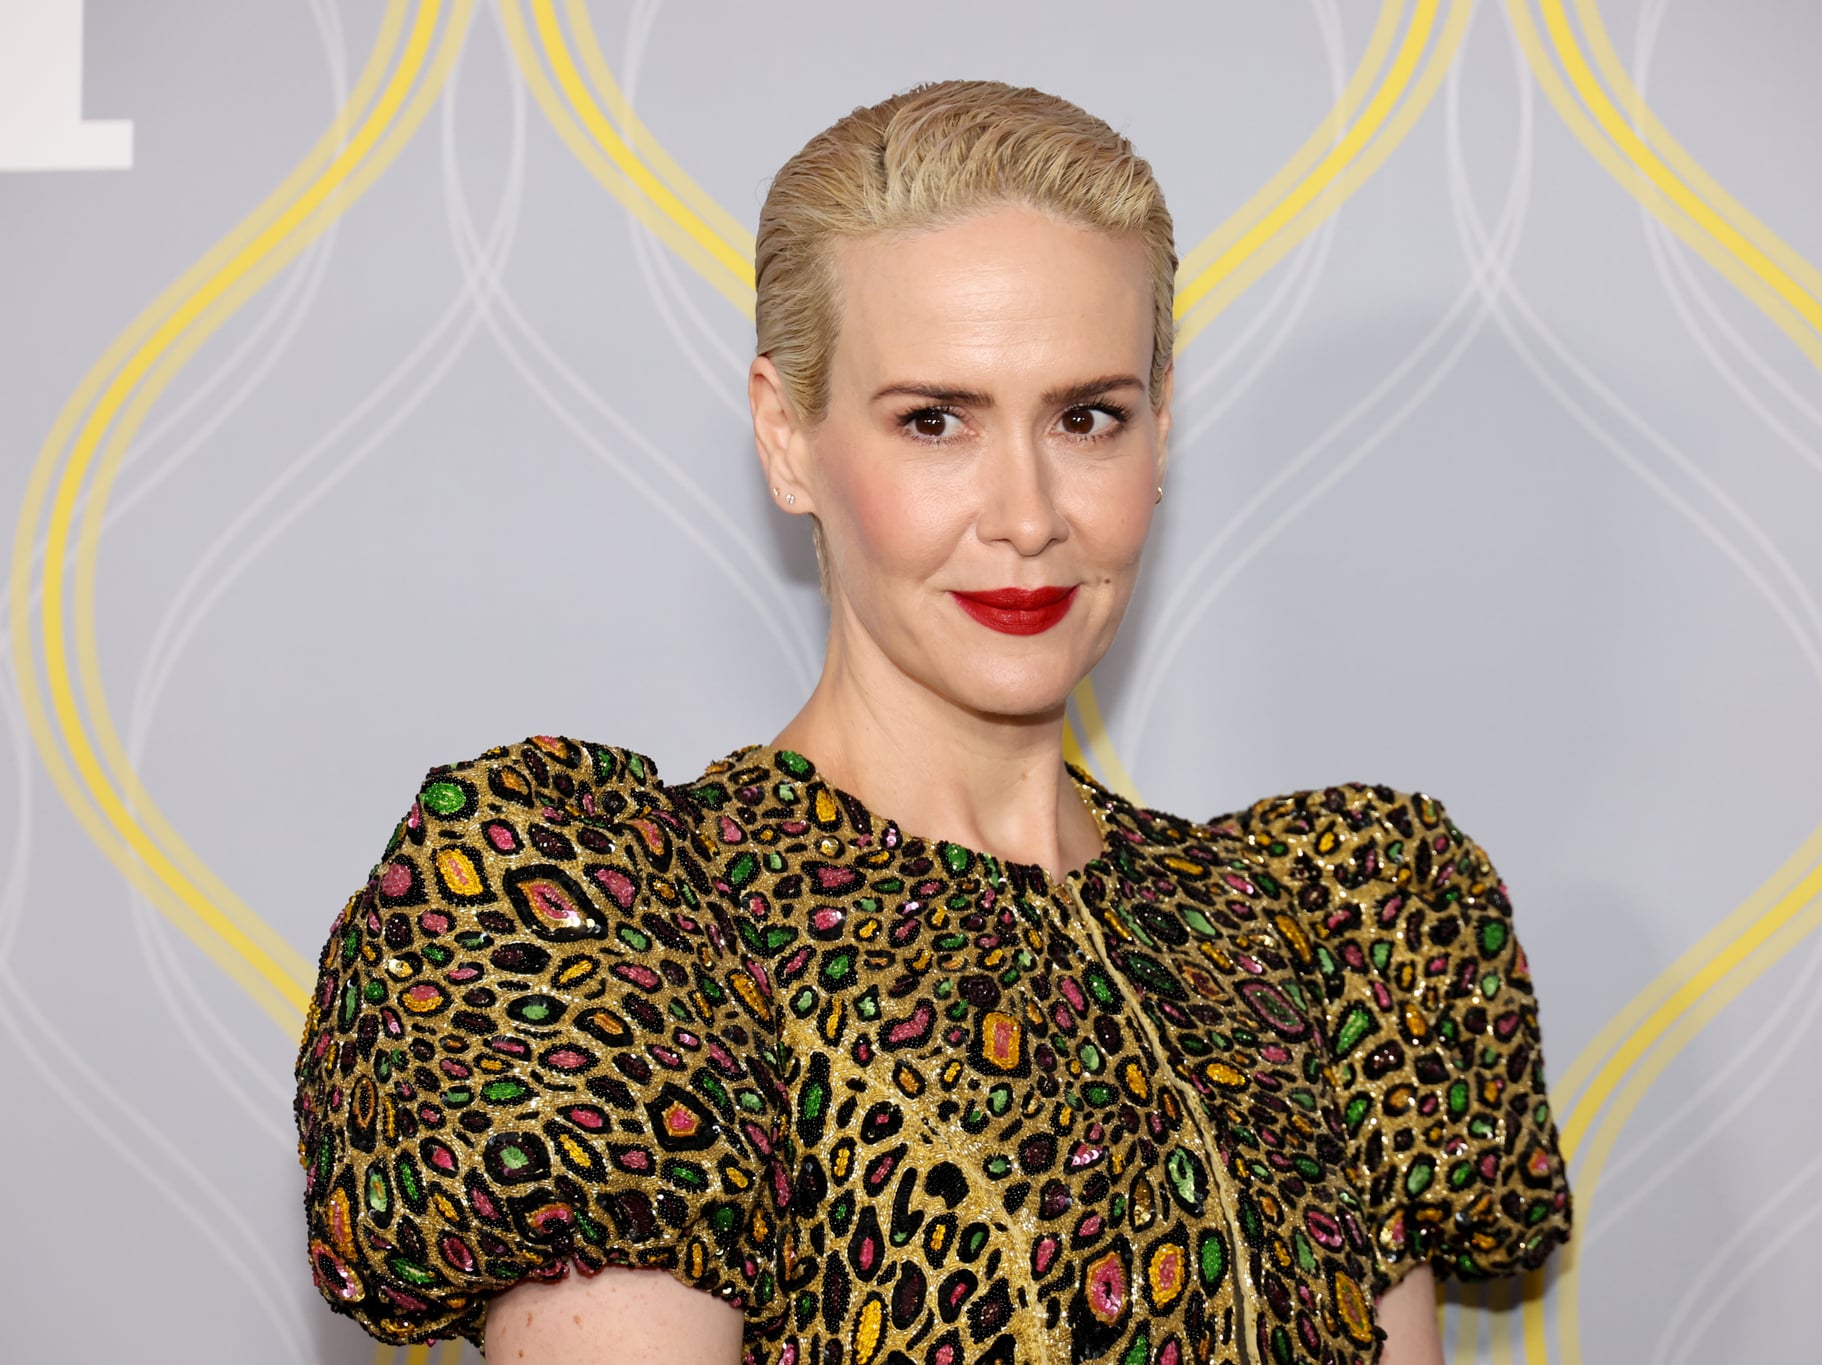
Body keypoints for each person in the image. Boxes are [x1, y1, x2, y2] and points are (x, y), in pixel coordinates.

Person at [293, 80, 1570, 1365]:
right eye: (934, 421)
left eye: (1086, 418)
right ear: (785, 437)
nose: (1025, 514)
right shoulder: (617, 927)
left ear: (1161, 430)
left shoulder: (1325, 928)